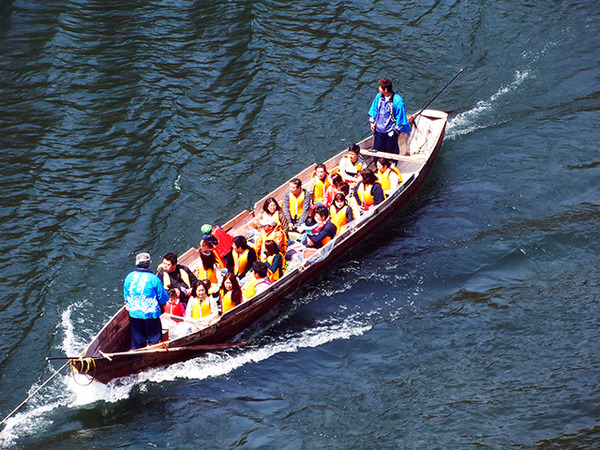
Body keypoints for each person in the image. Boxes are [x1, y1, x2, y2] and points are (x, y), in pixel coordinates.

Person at [123, 252, 169, 350]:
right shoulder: (154, 279)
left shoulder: (129, 277)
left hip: (134, 314)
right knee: (154, 341)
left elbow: (126, 297)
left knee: (138, 340)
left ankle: (137, 353)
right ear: (149, 264)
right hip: (151, 315)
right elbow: (163, 298)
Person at [368, 78, 413, 155]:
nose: (378, 88)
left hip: (390, 131)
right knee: (377, 150)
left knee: (391, 151)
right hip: (379, 130)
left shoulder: (397, 101)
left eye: (380, 87)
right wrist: (372, 122)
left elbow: (401, 117)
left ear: (385, 90)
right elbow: (374, 108)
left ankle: (392, 165)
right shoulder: (379, 97)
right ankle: (378, 164)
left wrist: (396, 130)